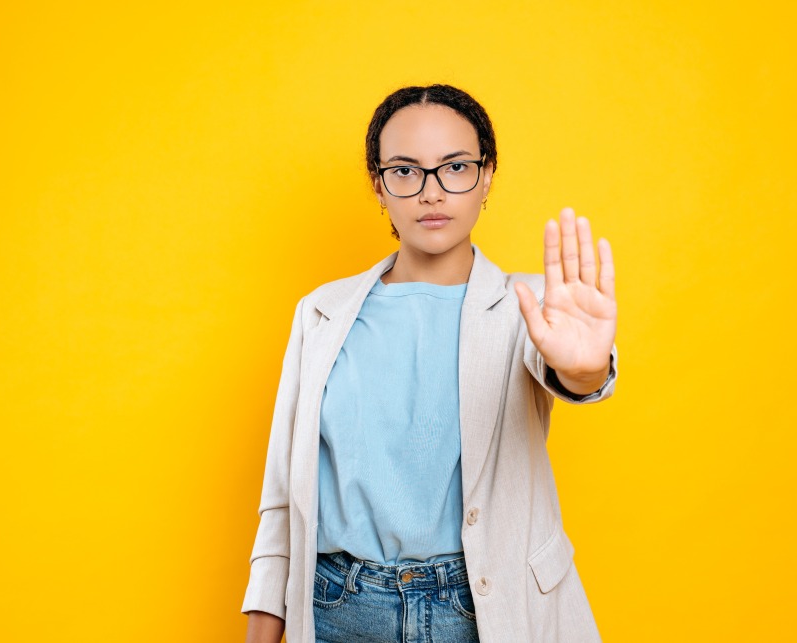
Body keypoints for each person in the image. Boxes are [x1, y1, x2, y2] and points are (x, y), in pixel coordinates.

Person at [243, 84, 618, 643]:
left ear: (486, 177)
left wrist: (585, 370)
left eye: (455, 167)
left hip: (484, 609)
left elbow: (575, 374)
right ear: (379, 184)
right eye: (405, 171)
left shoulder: (534, 307)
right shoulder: (321, 313)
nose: (430, 192)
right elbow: (282, 499)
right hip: (340, 608)